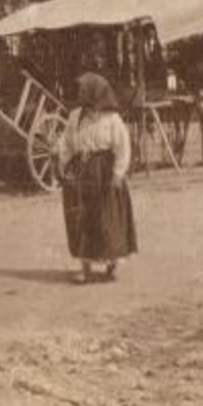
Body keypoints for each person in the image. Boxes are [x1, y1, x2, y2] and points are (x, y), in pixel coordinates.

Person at [55, 73, 138, 284]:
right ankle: (85, 267)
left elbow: (122, 146)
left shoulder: (112, 118)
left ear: (96, 91)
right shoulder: (75, 116)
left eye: (84, 89)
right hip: (82, 171)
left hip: (104, 171)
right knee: (81, 219)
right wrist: (62, 165)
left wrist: (118, 173)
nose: (80, 93)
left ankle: (113, 264)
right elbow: (67, 142)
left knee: (107, 219)